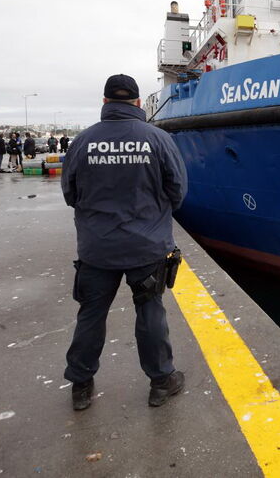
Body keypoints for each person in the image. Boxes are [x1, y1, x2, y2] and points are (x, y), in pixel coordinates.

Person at [62, 74, 187, 411]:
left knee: (91, 314)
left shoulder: (82, 142)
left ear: (105, 103)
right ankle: (161, 382)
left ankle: (81, 385)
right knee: (150, 311)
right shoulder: (158, 139)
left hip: (96, 249)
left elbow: (70, 194)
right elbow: (178, 191)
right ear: (136, 104)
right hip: (146, 247)